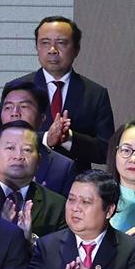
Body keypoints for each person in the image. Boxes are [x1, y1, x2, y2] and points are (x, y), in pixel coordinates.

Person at [30, 17, 115, 169]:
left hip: (77, 181)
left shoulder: (95, 94)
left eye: (61, 43)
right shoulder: (19, 89)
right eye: (45, 43)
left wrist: (69, 138)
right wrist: (46, 138)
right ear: (36, 47)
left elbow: (107, 150)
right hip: (30, 178)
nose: (52, 50)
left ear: (76, 49)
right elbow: (2, 139)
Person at [0, 120, 69, 240]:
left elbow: (60, 249)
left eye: (27, 150)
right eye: (10, 148)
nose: (18, 156)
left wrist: (29, 240)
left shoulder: (56, 206)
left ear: (39, 160)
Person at [0, 81, 77, 195]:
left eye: (23, 106)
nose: (15, 113)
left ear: (42, 118)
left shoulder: (62, 167)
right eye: (8, 107)